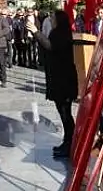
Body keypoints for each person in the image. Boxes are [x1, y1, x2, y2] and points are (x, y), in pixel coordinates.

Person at [27, 11, 76, 158]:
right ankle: (67, 142)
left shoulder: (61, 33)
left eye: (53, 18)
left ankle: (70, 144)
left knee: (65, 113)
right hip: (59, 79)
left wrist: (36, 32)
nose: (51, 20)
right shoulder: (58, 32)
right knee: (63, 112)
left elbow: (50, 46)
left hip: (64, 81)